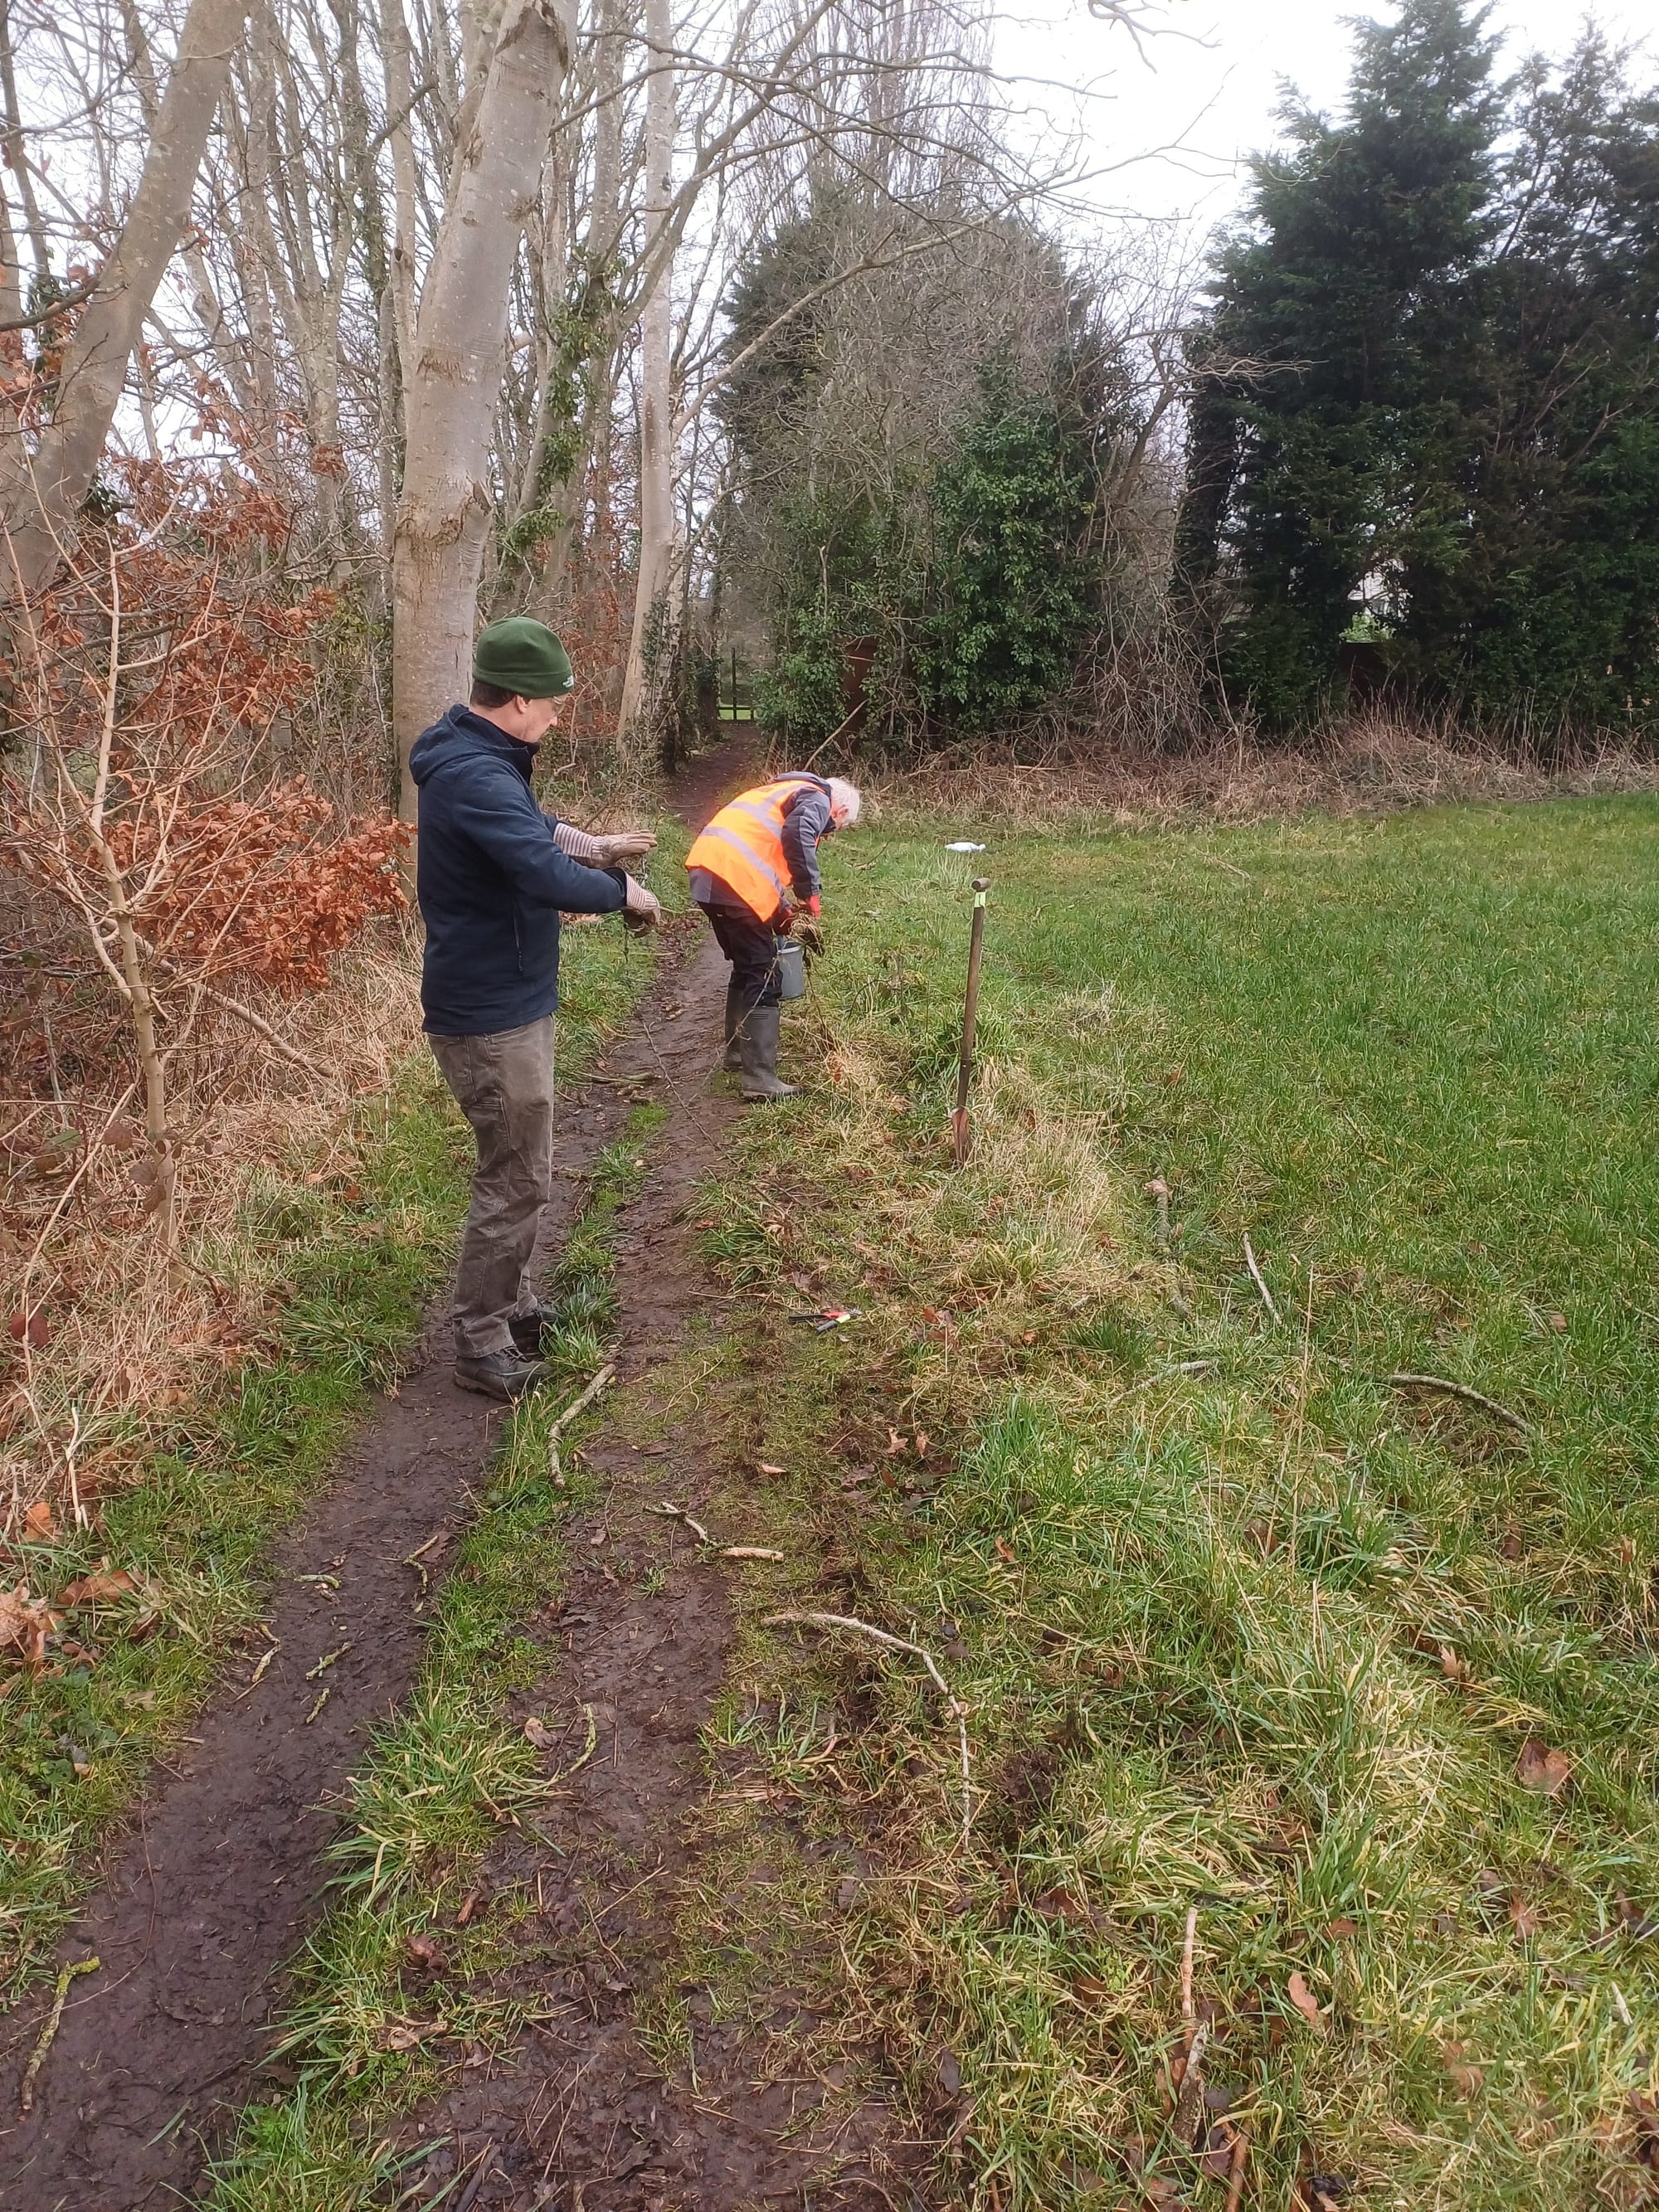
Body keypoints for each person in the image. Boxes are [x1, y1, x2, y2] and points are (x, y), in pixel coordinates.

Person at [410, 615, 661, 1400]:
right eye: (552, 703)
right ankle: (481, 1339)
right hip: (489, 1014)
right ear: (516, 701)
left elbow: (532, 833)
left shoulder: (483, 761)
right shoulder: (475, 775)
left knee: (528, 1167)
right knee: (515, 1176)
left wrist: (592, 843)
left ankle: (511, 1301)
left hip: (511, 999)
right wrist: (624, 892)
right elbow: (536, 870)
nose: (557, 715)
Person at [684, 771, 861, 1101]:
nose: (831, 831)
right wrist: (810, 893)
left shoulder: (781, 791)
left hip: (709, 873)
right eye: (836, 826)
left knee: (746, 965)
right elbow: (798, 835)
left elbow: (760, 863)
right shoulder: (818, 798)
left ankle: (739, 1054)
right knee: (765, 974)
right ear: (838, 811)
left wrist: (782, 914)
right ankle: (760, 1078)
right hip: (732, 878)